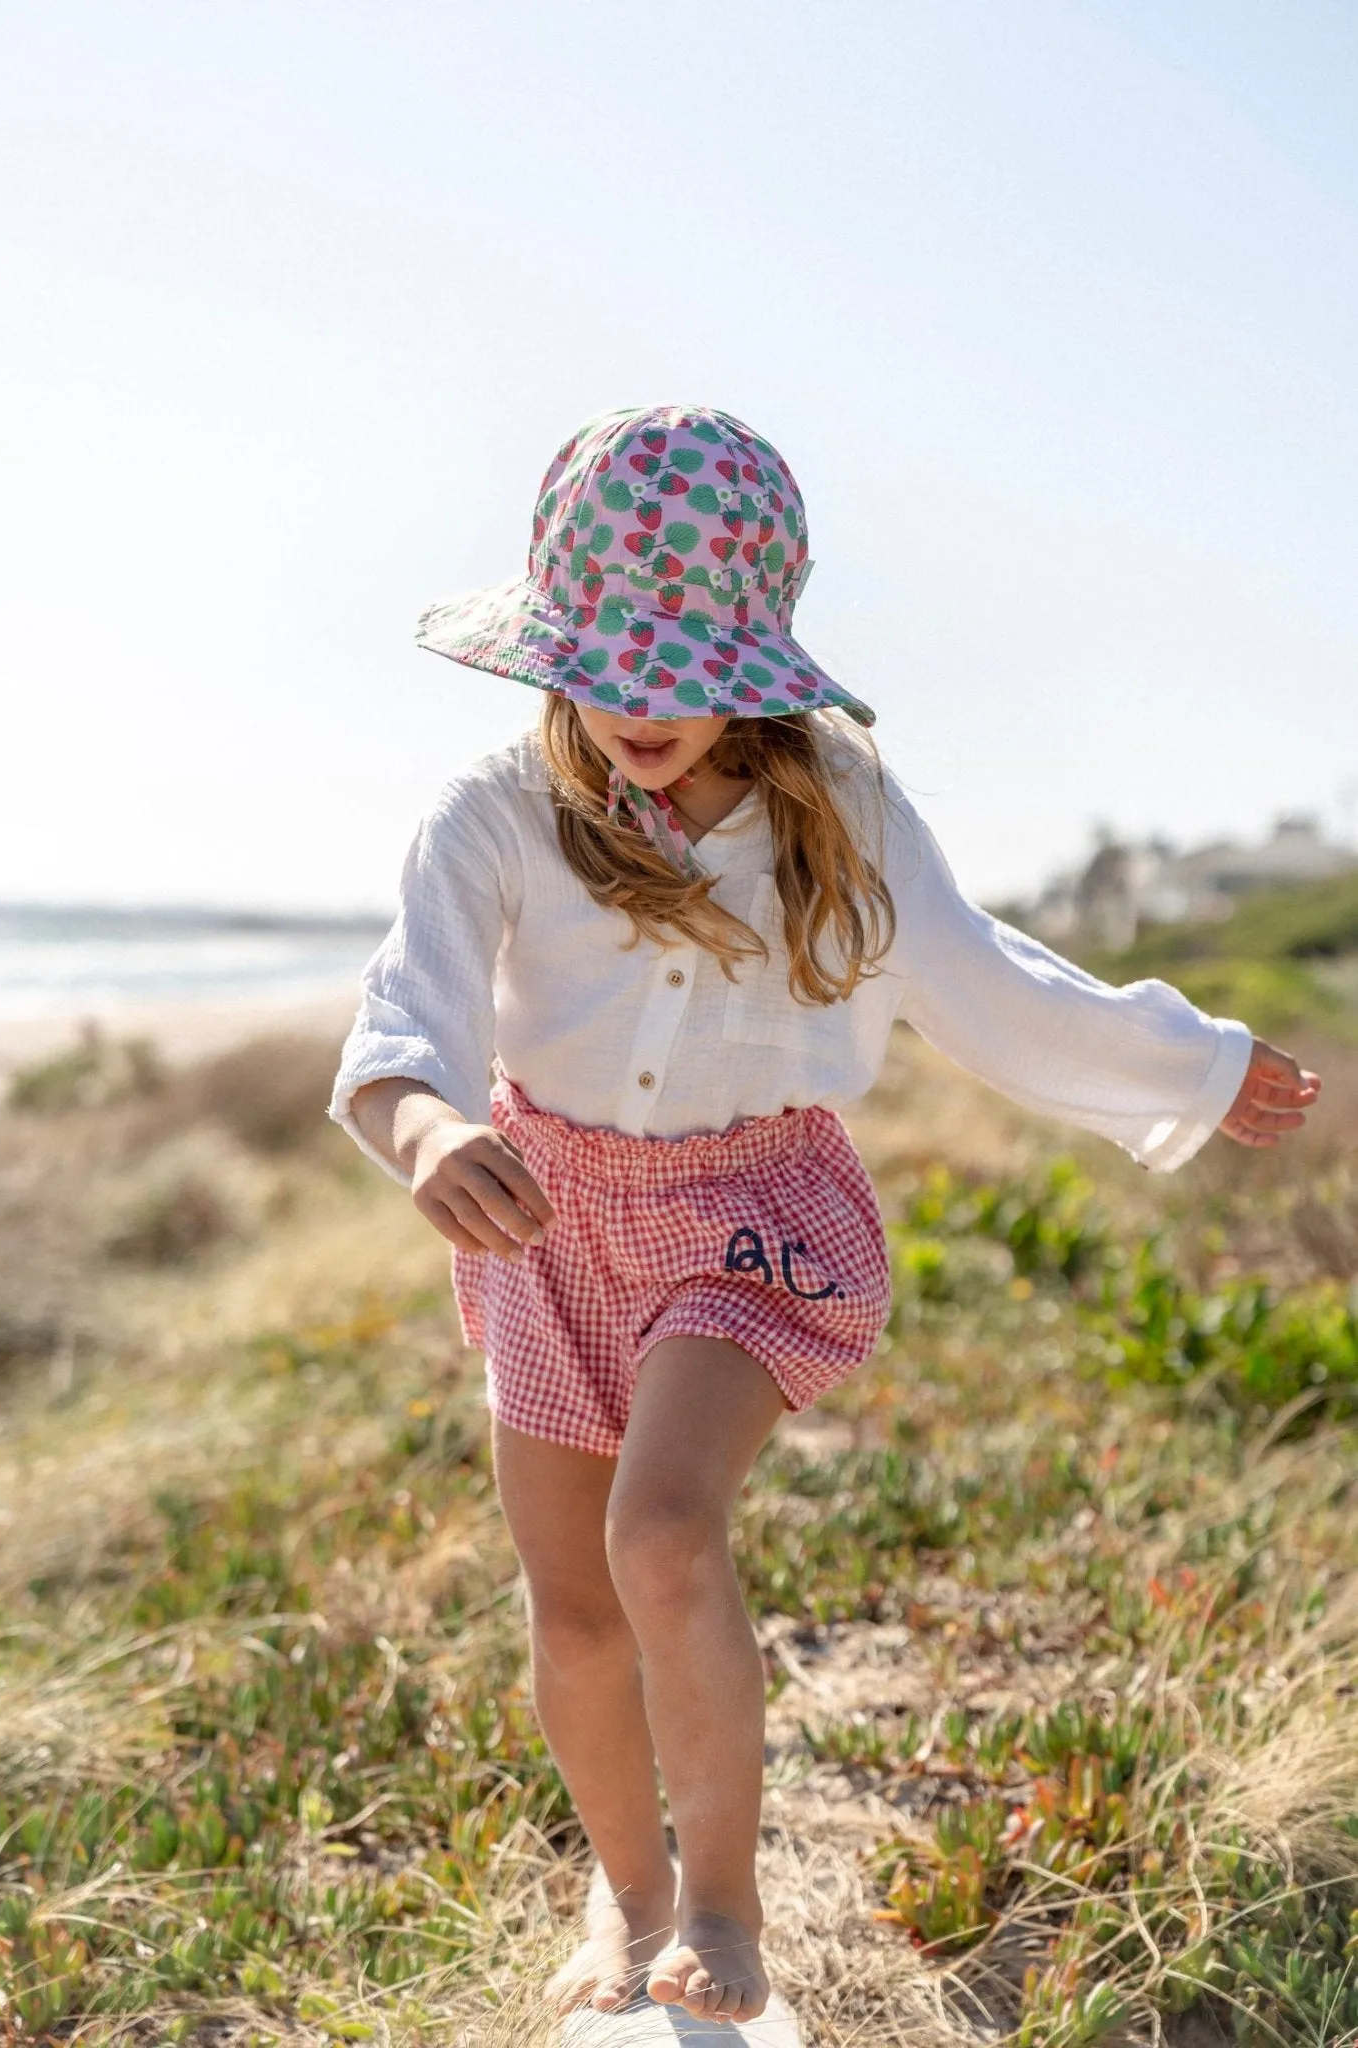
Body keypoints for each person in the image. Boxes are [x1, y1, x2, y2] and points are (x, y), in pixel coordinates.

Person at [330, 405, 1319, 2028]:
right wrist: (429, 1131)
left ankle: (723, 1913)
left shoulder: (838, 805)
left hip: (747, 1214)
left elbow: (986, 986)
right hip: (548, 1228)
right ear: (550, 646)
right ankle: (627, 1889)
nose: (642, 704)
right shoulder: (493, 811)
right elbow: (402, 1033)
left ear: (754, 653)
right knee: (573, 1606)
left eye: (684, 661)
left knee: (662, 1534)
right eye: (608, 660)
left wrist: (1194, 1065)